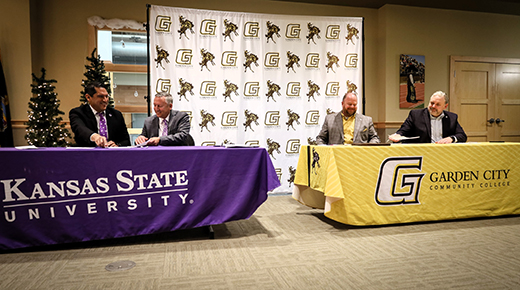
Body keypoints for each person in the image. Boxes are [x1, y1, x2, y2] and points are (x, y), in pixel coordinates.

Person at [389, 91, 467, 144]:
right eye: (432, 103)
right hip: (423, 154)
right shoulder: (416, 115)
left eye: (438, 104)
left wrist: (451, 138)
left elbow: (462, 136)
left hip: (444, 154)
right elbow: (403, 130)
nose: (433, 106)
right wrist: (398, 135)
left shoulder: (452, 118)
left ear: (445, 106)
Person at [69, 82, 130, 147]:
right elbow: (80, 130)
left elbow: (126, 141)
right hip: (87, 155)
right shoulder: (78, 113)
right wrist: (95, 137)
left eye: (106, 96)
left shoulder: (116, 115)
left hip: (112, 155)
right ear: (88, 97)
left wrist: (117, 145)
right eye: (100, 96)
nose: (105, 100)